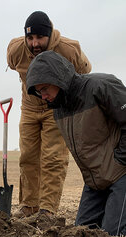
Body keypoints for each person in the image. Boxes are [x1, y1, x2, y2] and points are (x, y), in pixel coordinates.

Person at [26, 50, 126, 236]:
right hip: (94, 182)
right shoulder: (58, 109)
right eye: (39, 92)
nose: (43, 96)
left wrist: (120, 160)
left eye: (45, 89)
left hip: (121, 174)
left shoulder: (101, 86)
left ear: (59, 79)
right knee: (77, 236)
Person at [7, 11, 92, 218]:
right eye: (30, 38)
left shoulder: (69, 49)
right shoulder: (16, 50)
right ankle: (29, 206)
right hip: (29, 107)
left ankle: (47, 210)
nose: (34, 43)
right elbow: (12, 65)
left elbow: (85, 71)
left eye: (39, 38)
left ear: (50, 34)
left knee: (53, 158)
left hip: (57, 107)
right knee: (27, 157)